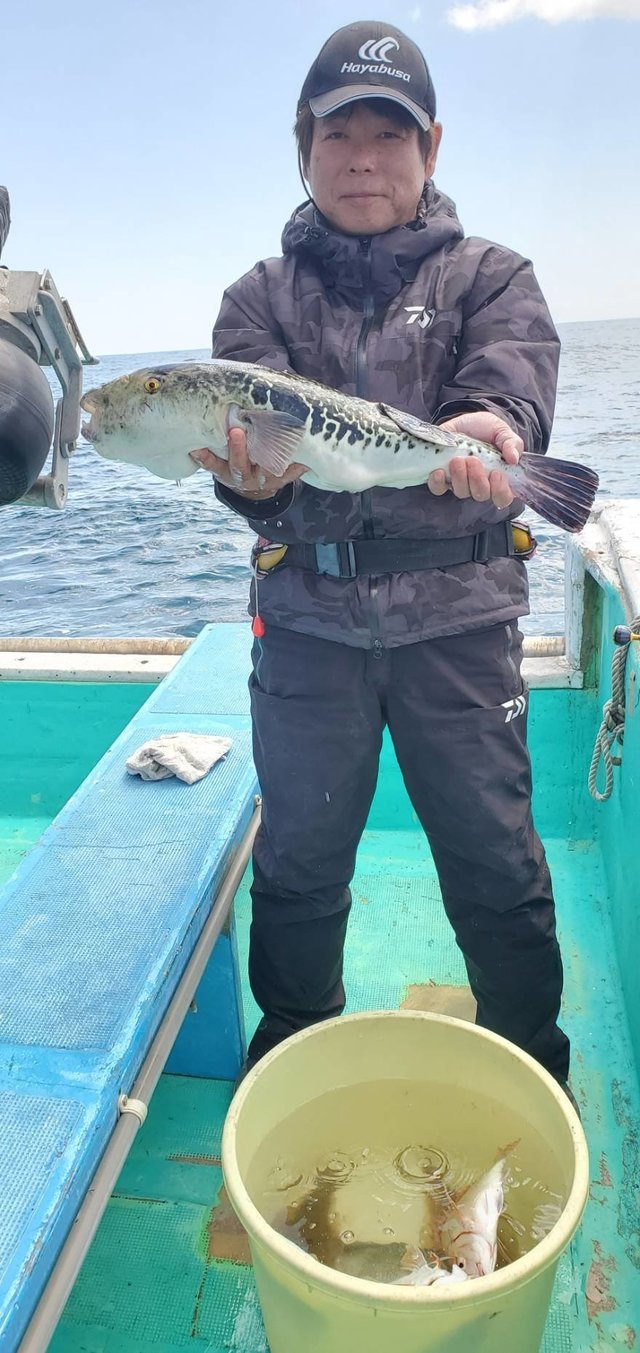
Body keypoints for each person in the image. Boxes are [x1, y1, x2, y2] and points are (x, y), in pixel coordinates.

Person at [191, 21, 572, 1091]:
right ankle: (293, 1060)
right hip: (308, 623)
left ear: (431, 147)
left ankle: (532, 1068)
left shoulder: (494, 276)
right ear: (301, 148)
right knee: (300, 865)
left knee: (496, 865)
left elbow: (508, 386)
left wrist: (492, 428)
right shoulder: (256, 299)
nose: (362, 156)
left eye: (388, 135)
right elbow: (250, 460)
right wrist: (245, 477)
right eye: (336, 134)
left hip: (459, 620)